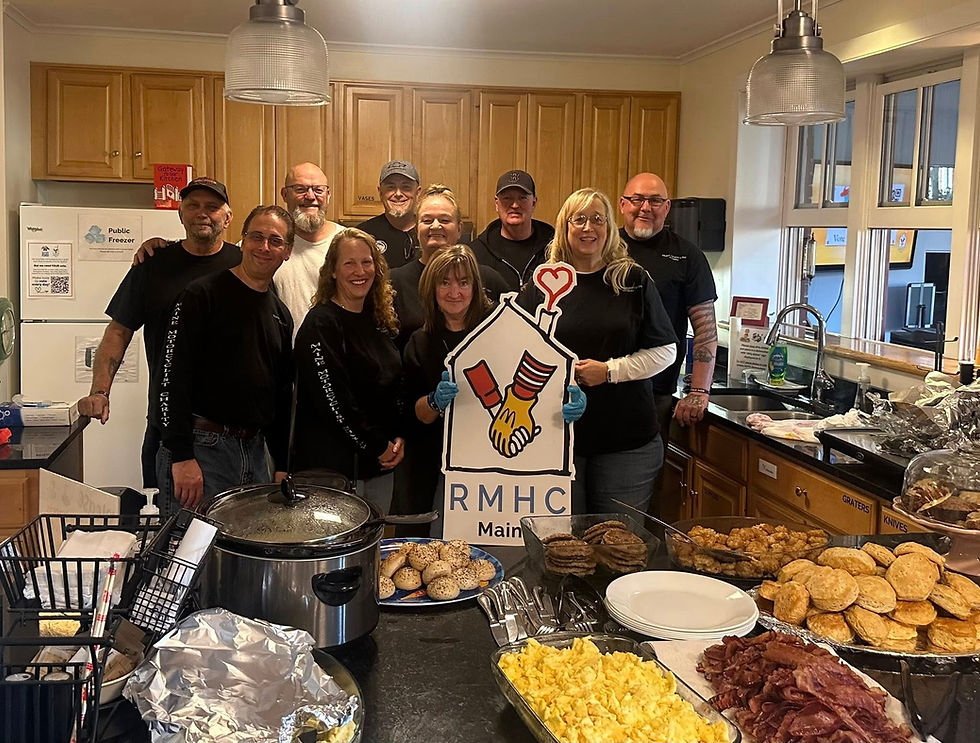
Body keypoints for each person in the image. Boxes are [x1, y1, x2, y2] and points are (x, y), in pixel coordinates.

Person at [518, 188, 677, 515]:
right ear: (565, 226)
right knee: (560, 540)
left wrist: (609, 372)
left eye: (597, 219)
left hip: (626, 441)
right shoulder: (544, 283)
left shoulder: (632, 280)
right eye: (579, 219)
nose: (588, 227)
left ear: (609, 227)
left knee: (617, 540)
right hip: (555, 438)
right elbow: (515, 347)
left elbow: (666, 351)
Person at [77, 177, 240, 489]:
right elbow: (119, 331)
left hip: (231, 431)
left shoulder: (243, 264)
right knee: (167, 516)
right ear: (180, 213)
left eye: (212, 207)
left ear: (228, 217)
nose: (202, 213)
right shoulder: (153, 263)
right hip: (167, 424)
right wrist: (100, 391)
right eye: (193, 205)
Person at [155, 205, 295, 518]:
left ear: (287, 252)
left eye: (275, 241)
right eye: (256, 237)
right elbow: (171, 378)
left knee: (245, 548)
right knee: (190, 547)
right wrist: (181, 455)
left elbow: (281, 394)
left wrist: (282, 463)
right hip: (201, 450)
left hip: (254, 454)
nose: (264, 247)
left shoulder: (280, 314)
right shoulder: (201, 295)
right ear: (242, 241)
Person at [133, 161, 341, 333]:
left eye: (318, 190)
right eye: (300, 189)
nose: (310, 196)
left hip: (331, 359)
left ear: (328, 195)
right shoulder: (253, 250)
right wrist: (168, 247)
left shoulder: (346, 244)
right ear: (285, 195)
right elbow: (207, 252)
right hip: (277, 355)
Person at [292, 228, 405, 514]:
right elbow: (334, 403)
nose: (360, 271)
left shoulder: (379, 321)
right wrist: (378, 446)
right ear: (332, 271)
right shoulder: (321, 324)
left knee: (374, 541)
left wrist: (397, 438)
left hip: (379, 467)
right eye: (349, 263)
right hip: (334, 475)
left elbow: (393, 389)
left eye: (367, 262)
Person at [619, 172, 718, 433]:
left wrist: (699, 392)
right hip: (600, 385)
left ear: (666, 207)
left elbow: (705, 331)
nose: (645, 207)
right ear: (622, 204)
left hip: (657, 392)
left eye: (655, 201)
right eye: (637, 199)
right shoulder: (603, 250)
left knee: (648, 459)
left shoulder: (687, 256)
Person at [390, 184, 508, 350]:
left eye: (444, 220)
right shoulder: (395, 282)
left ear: (459, 229)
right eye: (427, 220)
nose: (435, 226)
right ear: (416, 229)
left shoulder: (487, 279)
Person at [470, 169, 555, 293]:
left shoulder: (555, 248)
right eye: (507, 198)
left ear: (533, 203)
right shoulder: (475, 254)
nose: (515, 205)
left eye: (522, 198)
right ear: (496, 203)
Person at [358, 160, 421, 270]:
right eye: (391, 187)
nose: (398, 194)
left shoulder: (430, 232)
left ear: (417, 192)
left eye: (406, 187)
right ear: (380, 193)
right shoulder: (363, 235)